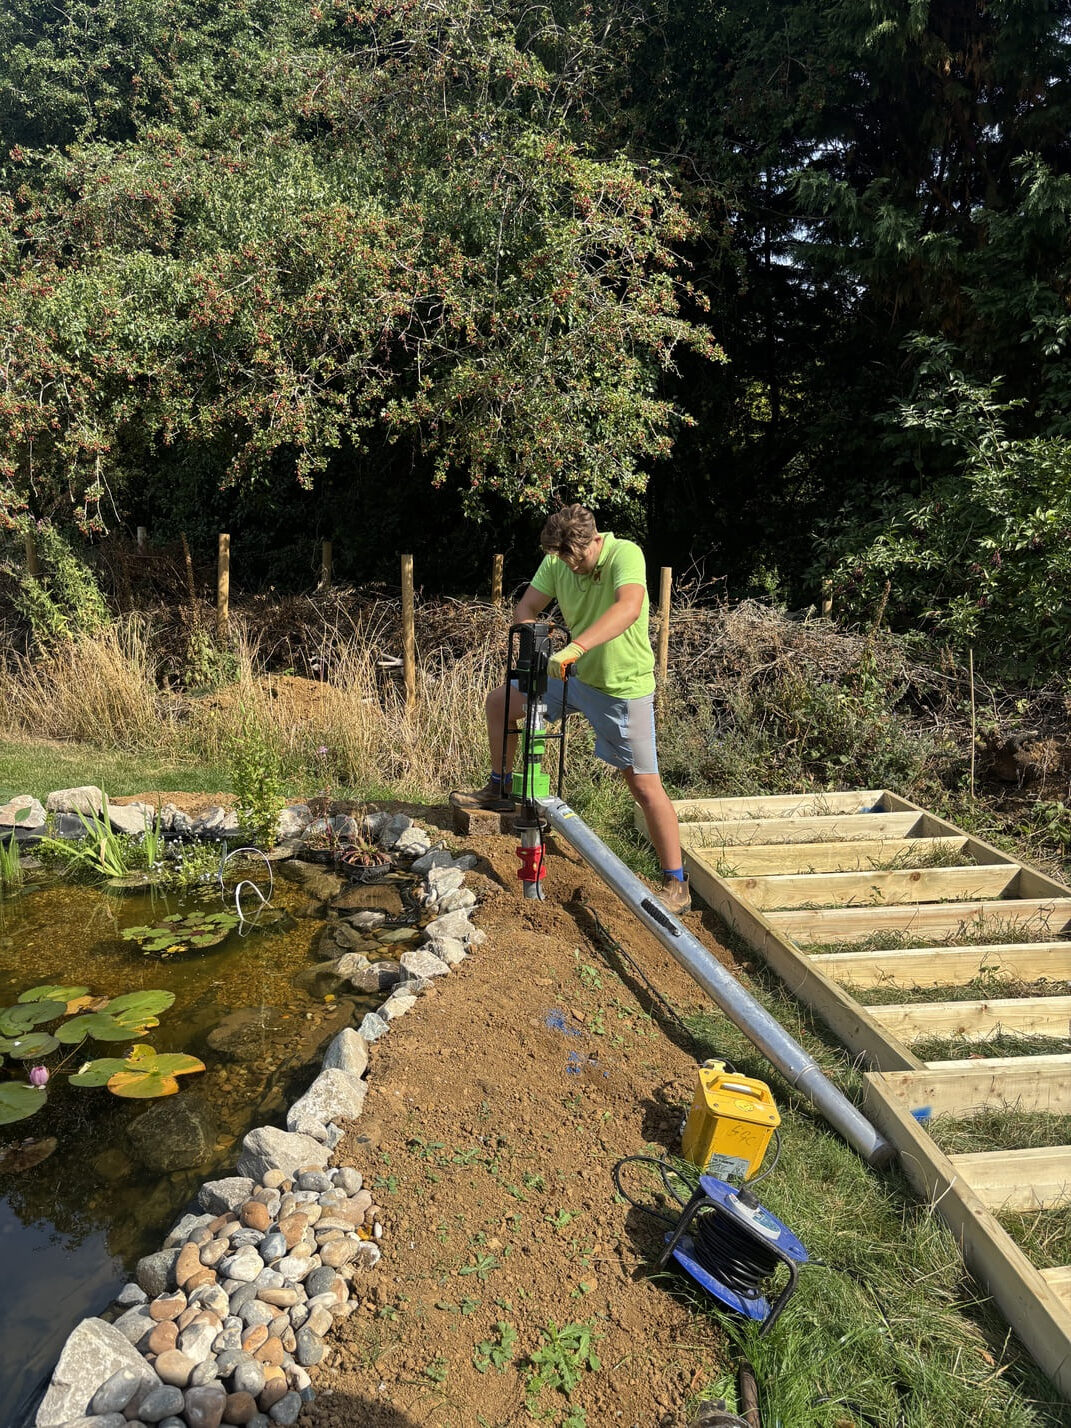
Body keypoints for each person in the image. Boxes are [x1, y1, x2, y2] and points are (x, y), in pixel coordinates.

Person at [452, 504, 690, 913]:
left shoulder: (625, 554)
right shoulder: (558, 561)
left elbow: (628, 607)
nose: (569, 567)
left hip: (621, 688)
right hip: (570, 676)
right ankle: (502, 787)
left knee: (643, 786)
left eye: (575, 558)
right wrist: (537, 643)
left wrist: (576, 646)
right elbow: (525, 609)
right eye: (562, 558)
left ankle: (677, 883)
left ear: (595, 541)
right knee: (501, 702)